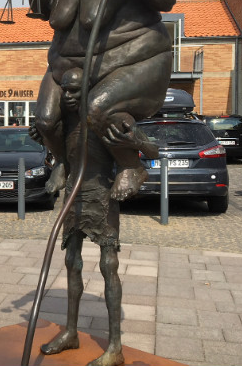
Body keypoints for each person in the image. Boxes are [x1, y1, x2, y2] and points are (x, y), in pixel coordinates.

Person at [14, 0, 175, 203]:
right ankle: (59, 159)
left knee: (96, 108)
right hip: (66, 64)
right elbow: (46, 11)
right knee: (45, 121)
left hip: (131, 58)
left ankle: (133, 165)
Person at [38, 68, 157, 366]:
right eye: (65, 90)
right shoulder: (65, 122)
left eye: (75, 91)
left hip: (103, 194)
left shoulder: (106, 117)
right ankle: (71, 332)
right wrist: (42, 136)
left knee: (108, 266)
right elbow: (61, 152)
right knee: (71, 262)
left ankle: (115, 346)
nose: (68, 96)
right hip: (74, 196)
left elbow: (151, 149)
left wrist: (138, 139)